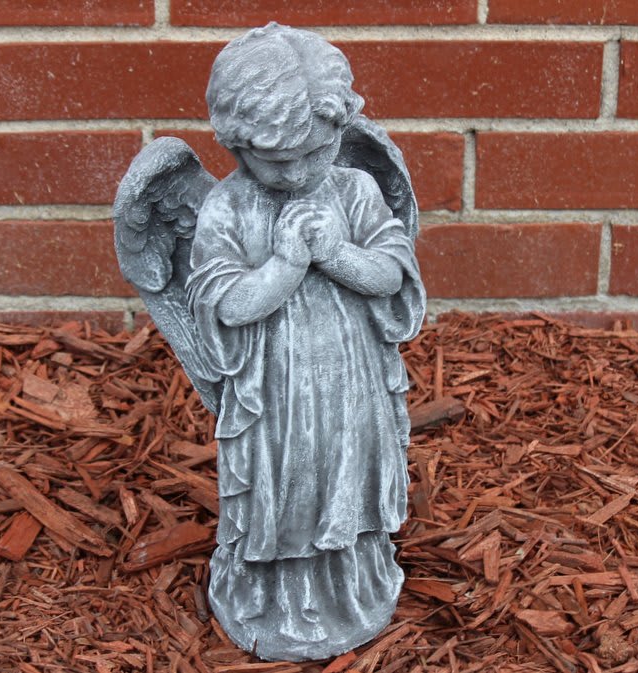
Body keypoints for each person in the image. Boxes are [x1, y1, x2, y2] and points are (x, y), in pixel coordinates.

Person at [186, 23, 426, 660]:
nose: (295, 173)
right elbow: (227, 306)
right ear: (235, 143)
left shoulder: (355, 189)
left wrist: (339, 254)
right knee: (289, 481)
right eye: (273, 158)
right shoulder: (227, 208)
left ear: (339, 133)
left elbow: (390, 275)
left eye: (315, 152)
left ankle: (351, 584)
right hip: (277, 393)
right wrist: (286, 265)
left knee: (347, 471)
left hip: (352, 378)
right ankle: (275, 595)